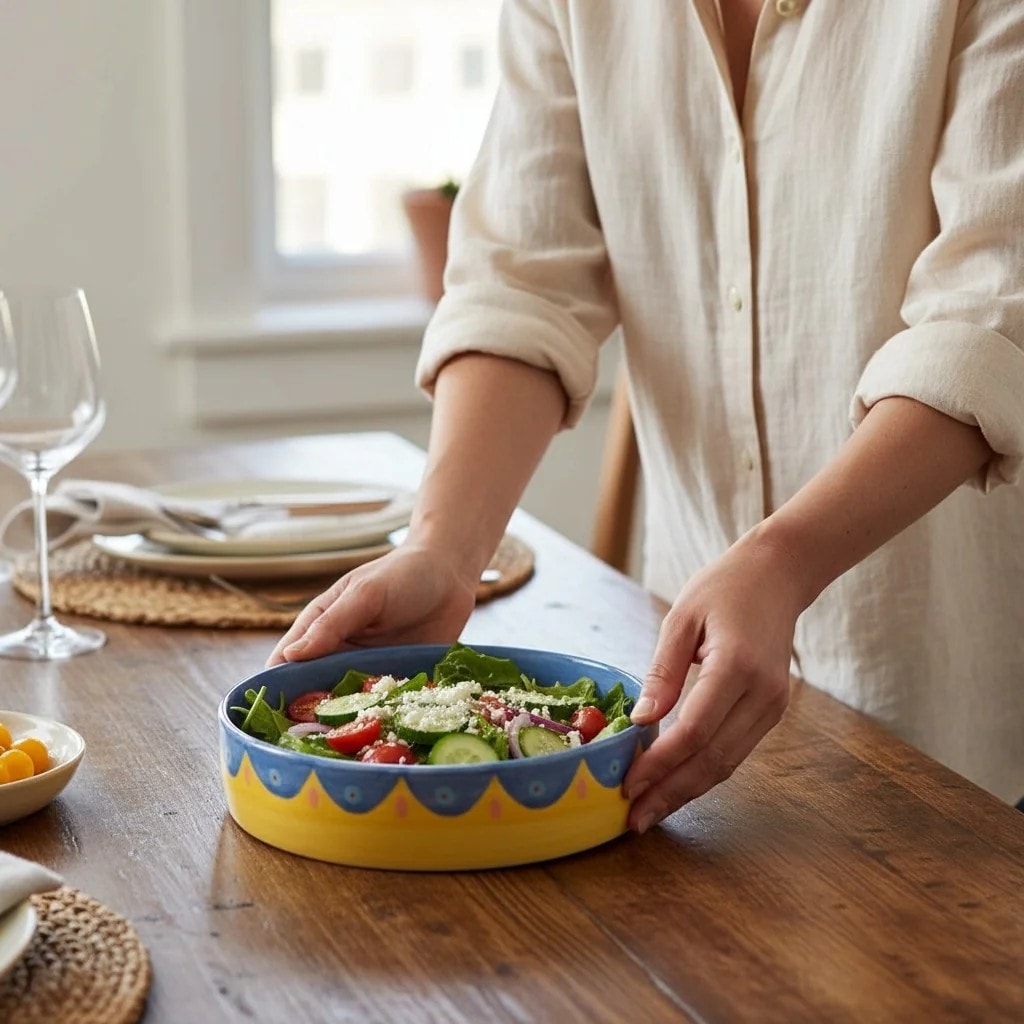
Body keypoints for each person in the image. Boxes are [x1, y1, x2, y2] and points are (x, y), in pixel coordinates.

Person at [269, 0, 1024, 828]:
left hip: (968, 726)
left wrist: (782, 562)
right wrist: (445, 555)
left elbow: (986, 321)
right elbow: (522, 282)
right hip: (689, 711)